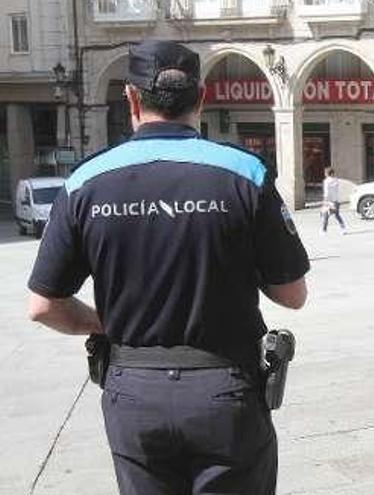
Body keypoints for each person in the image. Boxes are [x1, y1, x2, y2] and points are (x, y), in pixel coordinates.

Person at [27, 40, 310, 495]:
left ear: (131, 99)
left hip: (133, 391)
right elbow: (292, 294)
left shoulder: (85, 182)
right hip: (225, 389)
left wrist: (110, 321)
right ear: (201, 98)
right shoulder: (246, 173)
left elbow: (43, 306)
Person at [321, 167, 347, 234]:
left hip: (329, 201)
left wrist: (325, 201)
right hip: (336, 200)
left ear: (326, 174)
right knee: (337, 215)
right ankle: (343, 228)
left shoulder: (326, 181)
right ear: (332, 173)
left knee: (325, 215)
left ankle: (324, 230)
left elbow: (326, 192)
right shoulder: (336, 180)